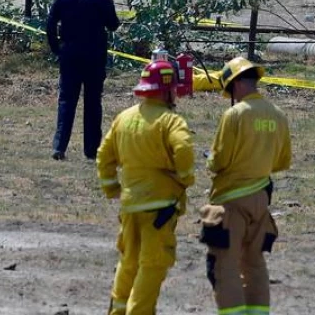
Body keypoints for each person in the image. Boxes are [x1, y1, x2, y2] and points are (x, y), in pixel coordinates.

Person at [96, 57, 194, 315]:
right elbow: (183, 148)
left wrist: (112, 188)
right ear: (169, 90)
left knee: (128, 261)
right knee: (153, 264)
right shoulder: (171, 121)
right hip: (160, 209)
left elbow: (104, 157)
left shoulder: (124, 118)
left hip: (130, 205)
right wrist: (185, 178)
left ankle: (117, 310)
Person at [201, 56, 292, 315]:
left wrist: (210, 161)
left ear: (237, 84)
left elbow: (219, 161)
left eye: (230, 89)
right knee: (254, 262)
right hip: (260, 200)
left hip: (231, 200)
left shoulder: (235, 115)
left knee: (224, 264)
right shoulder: (278, 114)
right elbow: (282, 162)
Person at [46, 0, 121, 161]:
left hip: (69, 55)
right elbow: (113, 25)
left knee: (66, 101)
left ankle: (59, 146)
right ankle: (91, 150)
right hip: (94, 57)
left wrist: (56, 49)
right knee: (92, 102)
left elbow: (50, 22)